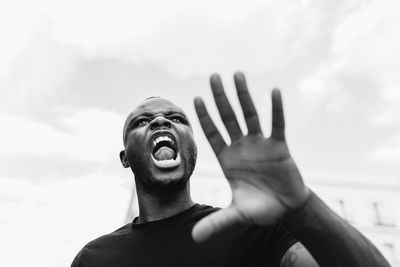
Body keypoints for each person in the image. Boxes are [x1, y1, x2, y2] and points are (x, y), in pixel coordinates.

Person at [71, 72, 391, 267]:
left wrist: (301, 205)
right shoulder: (95, 258)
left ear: (192, 149)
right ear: (125, 157)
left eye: (177, 118)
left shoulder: (255, 231)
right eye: (141, 122)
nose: (160, 121)